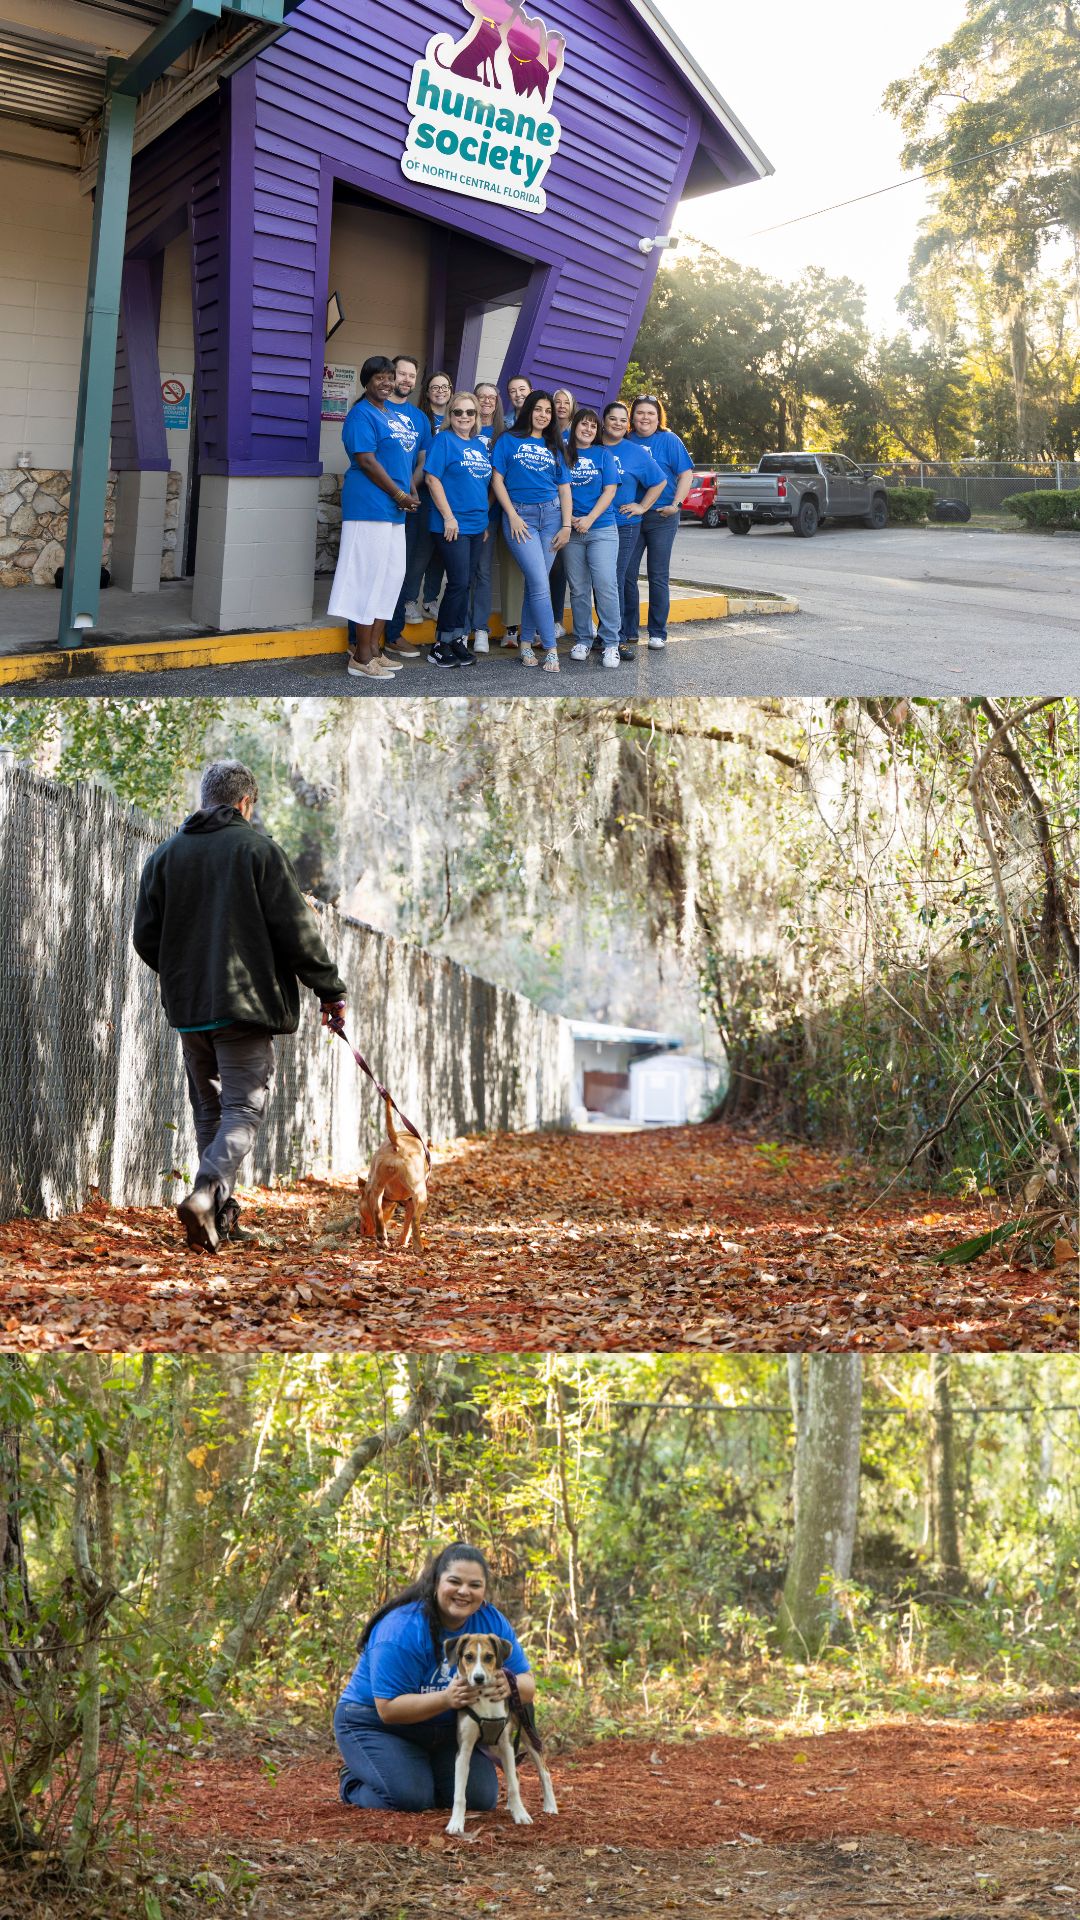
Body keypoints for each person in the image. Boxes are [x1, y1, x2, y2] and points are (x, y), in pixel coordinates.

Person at [132, 761, 347, 1253]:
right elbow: (296, 931)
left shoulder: (165, 856)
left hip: (190, 1010)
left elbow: (145, 938)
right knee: (243, 1110)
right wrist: (329, 991)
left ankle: (219, 1218)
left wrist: (185, 973)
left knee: (211, 1113)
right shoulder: (258, 851)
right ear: (245, 803)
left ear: (205, 798)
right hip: (243, 1010)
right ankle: (205, 1195)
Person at [334, 1544, 537, 1815]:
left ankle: (417, 1772)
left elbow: (528, 1685)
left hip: (443, 1730)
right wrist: (446, 1698)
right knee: (412, 1798)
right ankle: (354, 1780)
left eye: (475, 1585)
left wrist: (510, 1685)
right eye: (454, 1581)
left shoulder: (491, 1622)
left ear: (484, 1591)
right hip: (374, 1723)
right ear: (436, 1582)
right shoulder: (401, 1629)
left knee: (479, 1798)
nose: (464, 1591)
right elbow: (388, 1709)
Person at [328, 356, 419, 681]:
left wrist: (410, 489)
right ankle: (361, 655)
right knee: (368, 577)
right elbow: (366, 460)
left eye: (389, 377)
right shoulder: (360, 415)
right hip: (369, 505)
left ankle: (375, 650)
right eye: (379, 377)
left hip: (394, 508)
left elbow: (402, 458)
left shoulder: (391, 414)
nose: (386, 382)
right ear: (366, 381)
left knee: (391, 576)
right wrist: (399, 494)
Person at [490, 390, 572, 671]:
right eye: (538, 409)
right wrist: (511, 515)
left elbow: (564, 488)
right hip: (520, 518)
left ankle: (525, 643)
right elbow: (497, 480)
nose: (543, 415)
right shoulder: (508, 440)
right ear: (528, 411)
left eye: (548, 411)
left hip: (551, 518)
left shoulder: (554, 445)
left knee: (536, 585)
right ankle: (551, 648)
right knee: (539, 583)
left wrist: (566, 525)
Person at [423, 390, 492, 669]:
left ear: (477, 416)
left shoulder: (478, 445)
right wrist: (448, 517)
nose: (464, 417)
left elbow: (479, 485)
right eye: (458, 412)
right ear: (450, 415)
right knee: (458, 582)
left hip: (477, 525)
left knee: (466, 583)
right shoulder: (443, 440)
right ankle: (440, 644)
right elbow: (432, 479)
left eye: (470, 412)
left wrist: (483, 522)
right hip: (453, 525)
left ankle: (456, 640)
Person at [623, 395, 694, 651]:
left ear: (658, 416)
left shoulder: (669, 440)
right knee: (627, 574)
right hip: (631, 516)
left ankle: (657, 632)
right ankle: (628, 630)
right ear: (632, 417)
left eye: (650, 413)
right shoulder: (625, 439)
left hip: (662, 516)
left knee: (658, 574)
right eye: (640, 413)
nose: (645, 417)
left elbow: (686, 474)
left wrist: (676, 505)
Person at [601, 402, 666, 655]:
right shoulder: (593, 447)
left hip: (625, 525)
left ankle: (616, 636)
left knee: (614, 579)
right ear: (604, 421)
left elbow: (659, 481)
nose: (617, 424)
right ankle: (607, 632)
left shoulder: (635, 452)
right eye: (612, 419)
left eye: (622, 420)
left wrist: (642, 506)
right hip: (596, 524)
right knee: (601, 579)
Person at [381, 354, 433, 662]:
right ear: (390, 376)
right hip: (377, 503)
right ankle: (357, 639)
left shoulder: (419, 418)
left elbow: (423, 460)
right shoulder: (375, 409)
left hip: (407, 506)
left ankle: (392, 633)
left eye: (411, 375)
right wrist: (395, 492)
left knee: (398, 570)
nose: (406, 379)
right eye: (401, 373)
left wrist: (407, 491)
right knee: (372, 570)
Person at [562, 407, 622, 669]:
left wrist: (589, 519)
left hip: (601, 529)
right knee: (578, 588)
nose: (588, 429)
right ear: (574, 426)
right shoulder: (563, 453)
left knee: (605, 584)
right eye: (583, 424)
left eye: (593, 426)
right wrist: (570, 520)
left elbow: (610, 491)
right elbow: (558, 488)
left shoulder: (603, 454)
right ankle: (583, 639)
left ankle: (611, 643)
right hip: (572, 530)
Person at [468, 383, 505, 652]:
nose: (486, 401)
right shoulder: (465, 429)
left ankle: (480, 628)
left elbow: (498, 477)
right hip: (462, 513)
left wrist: (485, 508)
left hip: (489, 513)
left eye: (491, 397)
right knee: (462, 572)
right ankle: (460, 628)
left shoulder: (502, 435)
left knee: (482, 571)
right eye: (481, 396)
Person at [548, 388, 576, 637]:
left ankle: (579, 620)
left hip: (577, 507)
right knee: (553, 567)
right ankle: (553, 620)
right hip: (551, 506)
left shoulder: (577, 432)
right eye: (557, 402)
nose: (561, 406)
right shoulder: (547, 432)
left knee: (573, 568)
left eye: (566, 402)